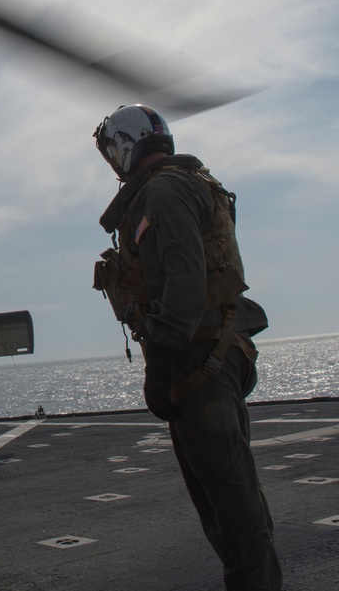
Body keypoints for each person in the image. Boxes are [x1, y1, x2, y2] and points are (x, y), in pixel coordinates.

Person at [91, 104, 282, 591]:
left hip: (200, 361)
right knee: (226, 510)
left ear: (125, 147)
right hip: (205, 357)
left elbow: (185, 280)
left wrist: (161, 364)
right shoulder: (180, 185)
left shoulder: (164, 190)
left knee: (236, 517)